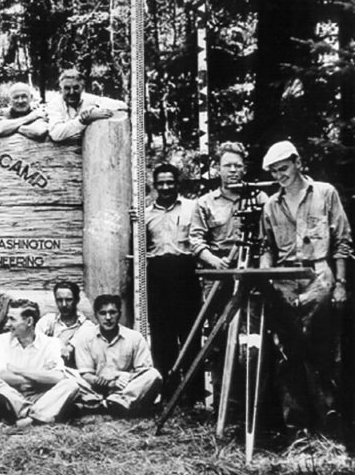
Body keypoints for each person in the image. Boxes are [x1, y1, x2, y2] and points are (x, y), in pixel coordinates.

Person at [260, 140, 352, 434]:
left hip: (319, 279)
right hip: (285, 285)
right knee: (287, 355)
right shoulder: (271, 206)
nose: (280, 176)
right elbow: (267, 247)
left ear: (298, 163)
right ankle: (296, 428)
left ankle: (330, 423)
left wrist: (340, 284)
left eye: (284, 168)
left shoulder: (325, 193)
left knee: (324, 351)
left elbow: (343, 242)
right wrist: (266, 275)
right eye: (274, 172)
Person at [144, 163, 201, 398]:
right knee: (161, 335)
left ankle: (194, 394)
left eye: (170, 182)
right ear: (155, 186)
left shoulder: (193, 208)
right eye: (161, 183)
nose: (166, 187)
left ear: (178, 184)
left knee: (190, 333)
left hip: (185, 274)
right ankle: (166, 393)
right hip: (157, 276)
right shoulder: (144, 214)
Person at [0, 299, 80, 428]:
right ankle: (34, 415)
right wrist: (40, 377)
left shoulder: (51, 343)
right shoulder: (0, 341)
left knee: (71, 384)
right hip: (11, 396)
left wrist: (18, 370)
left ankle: (30, 417)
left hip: (42, 396)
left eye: (12, 319)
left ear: (29, 321)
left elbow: (58, 377)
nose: (7, 324)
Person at [189, 142, 267, 291]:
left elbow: (270, 236)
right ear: (218, 168)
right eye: (227, 165)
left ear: (244, 169)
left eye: (237, 166)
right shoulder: (205, 203)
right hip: (217, 274)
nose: (232, 170)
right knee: (215, 306)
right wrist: (215, 261)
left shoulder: (259, 198)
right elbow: (195, 240)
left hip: (251, 270)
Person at [71, 295, 162, 415]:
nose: (108, 318)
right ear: (96, 316)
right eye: (103, 313)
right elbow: (86, 374)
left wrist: (123, 377)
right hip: (95, 388)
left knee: (153, 375)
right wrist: (108, 383)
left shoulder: (135, 338)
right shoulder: (85, 338)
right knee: (68, 375)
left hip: (124, 388)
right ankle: (99, 402)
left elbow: (143, 370)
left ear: (119, 314)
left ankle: (115, 402)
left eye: (112, 312)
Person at [46, 68, 127, 142]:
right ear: (61, 89)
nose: (72, 92)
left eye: (76, 88)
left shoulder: (88, 98)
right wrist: (83, 120)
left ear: (82, 88)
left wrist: (95, 110)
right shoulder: (55, 104)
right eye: (67, 88)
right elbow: (56, 134)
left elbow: (122, 106)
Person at [35, 281, 87, 368]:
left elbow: (67, 353)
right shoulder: (48, 320)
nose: (64, 304)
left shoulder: (85, 325)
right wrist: (58, 343)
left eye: (68, 300)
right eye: (59, 300)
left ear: (77, 300)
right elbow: (35, 342)